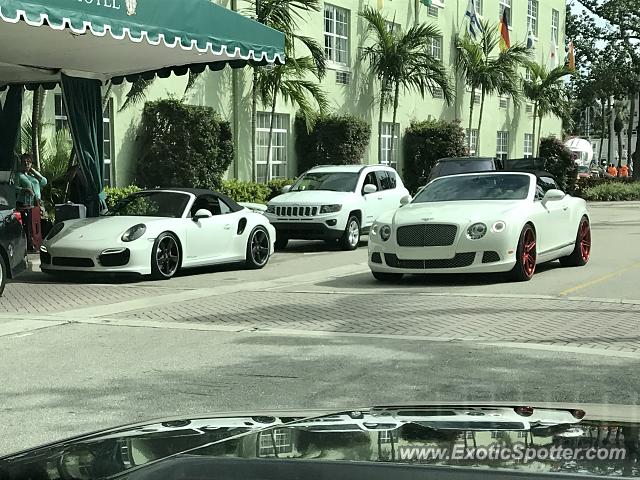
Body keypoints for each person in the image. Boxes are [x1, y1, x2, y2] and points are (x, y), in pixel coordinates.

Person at [15, 153, 47, 252]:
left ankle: (37, 245)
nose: (26, 164)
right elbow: (14, 188)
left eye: (28, 162)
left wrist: (33, 171)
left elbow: (44, 182)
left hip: (36, 204)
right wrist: (23, 190)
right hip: (25, 204)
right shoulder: (19, 175)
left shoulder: (33, 175)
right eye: (24, 162)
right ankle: (29, 246)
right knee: (28, 226)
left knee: (36, 226)